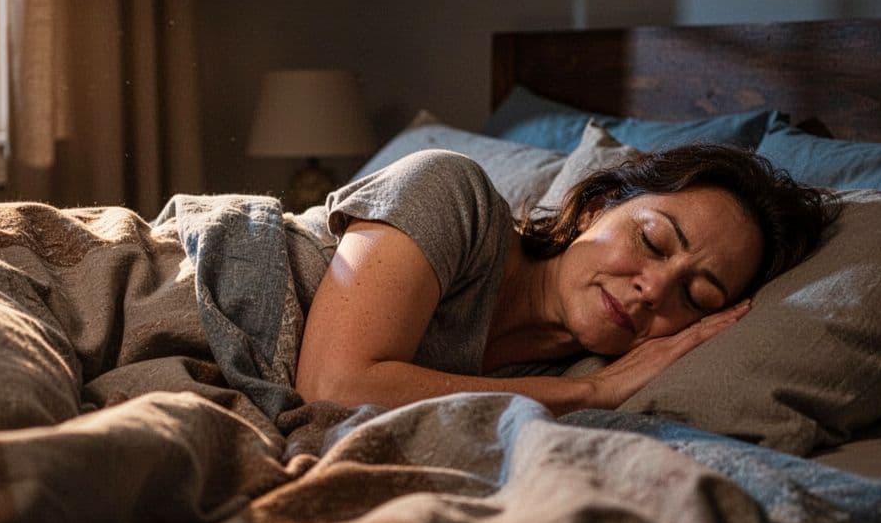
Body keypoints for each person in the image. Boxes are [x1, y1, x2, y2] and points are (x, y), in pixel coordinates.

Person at [295, 143, 839, 414]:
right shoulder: (450, 191)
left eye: (696, 296)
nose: (654, 289)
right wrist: (589, 392)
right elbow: (333, 388)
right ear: (594, 209)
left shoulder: (573, 368)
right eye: (652, 241)